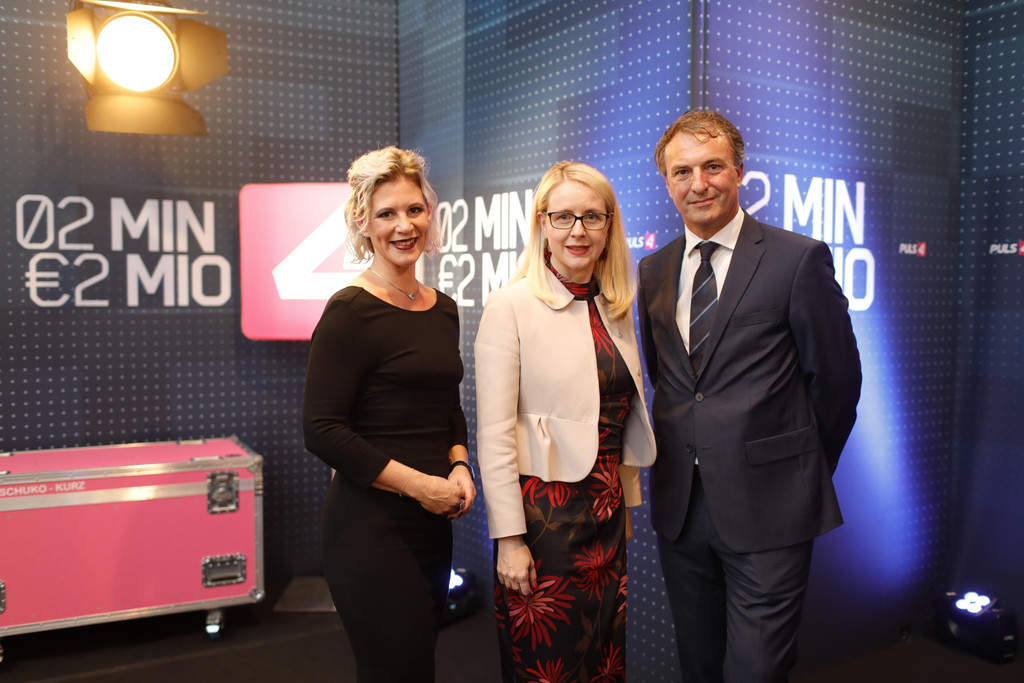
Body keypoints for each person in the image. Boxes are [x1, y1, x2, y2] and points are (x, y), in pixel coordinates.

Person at [637, 110, 862, 682]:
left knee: (757, 672)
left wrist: (797, 470)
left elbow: (837, 382)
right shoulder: (653, 270)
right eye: (682, 172)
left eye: (713, 167)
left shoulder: (798, 258)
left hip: (771, 508)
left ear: (739, 172)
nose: (698, 183)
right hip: (681, 508)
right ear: (667, 182)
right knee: (699, 664)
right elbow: (668, 378)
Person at [475, 161, 657, 682]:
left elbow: (619, 417)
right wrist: (509, 538)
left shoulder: (616, 306)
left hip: (606, 513)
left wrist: (625, 503)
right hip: (543, 521)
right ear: (542, 223)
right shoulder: (509, 305)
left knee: (603, 657)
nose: (578, 231)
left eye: (592, 217)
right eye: (564, 217)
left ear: (609, 225)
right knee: (548, 664)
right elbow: (494, 434)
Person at [302, 146, 476, 682]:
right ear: (363, 221)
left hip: (432, 525)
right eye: (387, 213)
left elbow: (447, 404)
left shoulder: (442, 308)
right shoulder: (350, 311)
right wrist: (420, 487)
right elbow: (321, 430)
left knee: (417, 668)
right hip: (370, 530)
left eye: (414, 209)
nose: (405, 226)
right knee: (394, 670)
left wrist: (459, 464)